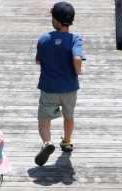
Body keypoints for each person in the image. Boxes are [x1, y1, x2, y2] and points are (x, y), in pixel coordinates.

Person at [34, 1, 86, 166]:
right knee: (68, 116)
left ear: (55, 21)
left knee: (44, 122)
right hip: (69, 89)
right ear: (72, 20)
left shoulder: (44, 38)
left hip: (49, 89)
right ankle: (67, 141)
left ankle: (47, 143)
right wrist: (78, 71)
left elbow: (38, 61)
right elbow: (77, 58)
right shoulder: (74, 39)